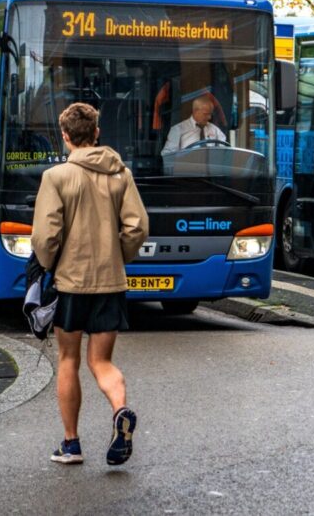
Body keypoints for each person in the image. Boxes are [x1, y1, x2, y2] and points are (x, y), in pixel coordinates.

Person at [31, 102, 149, 466]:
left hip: (70, 283)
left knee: (68, 358)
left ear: (65, 136)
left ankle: (71, 444)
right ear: (97, 133)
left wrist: (50, 266)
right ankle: (120, 410)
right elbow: (137, 227)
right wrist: (118, 256)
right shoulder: (120, 173)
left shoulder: (56, 177)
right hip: (110, 282)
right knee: (102, 360)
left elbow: (45, 237)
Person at [160, 94, 227, 155]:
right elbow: (167, 155)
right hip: (187, 166)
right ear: (195, 111)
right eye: (206, 114)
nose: (209, 117)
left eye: (210, 114)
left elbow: (224, 152)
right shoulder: (178, 129)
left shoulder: (215, 130)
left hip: (211, 167)